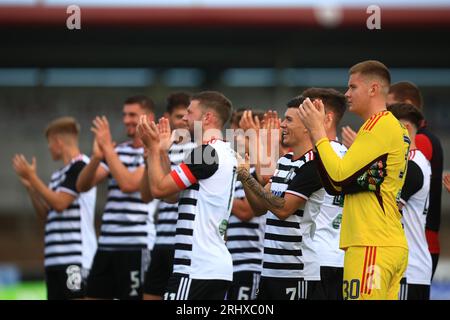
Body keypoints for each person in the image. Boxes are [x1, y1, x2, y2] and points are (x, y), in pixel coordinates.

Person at [298, 60, 410, 300]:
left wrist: (318, 132)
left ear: (373, 89)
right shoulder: (390, 127)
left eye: (353, 87)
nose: (346, 94)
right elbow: (338, 184)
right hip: (387, 242)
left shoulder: (378, 126)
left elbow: (338, 175)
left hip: (371, 243)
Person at [138, 91, 237, 300]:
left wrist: (154, 149)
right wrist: (162, 152)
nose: (184, 118)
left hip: (196, 267)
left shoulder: (205, 154)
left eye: (190, 113)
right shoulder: (223, 152)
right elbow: (171, 196)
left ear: (207, 118)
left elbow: (158, 190)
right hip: (213, 268)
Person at [237, 97, 326, 300]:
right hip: (270, 271)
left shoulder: (313, 165)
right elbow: (260, 207)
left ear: (306, 128)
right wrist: (245, 177)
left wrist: (246, 178)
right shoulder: (285, 160)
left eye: (289, 120)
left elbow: (283, 208)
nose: (282, 125)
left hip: (296, 273)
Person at [76, 95, 156, 299]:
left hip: (136, 245)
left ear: (148, 117)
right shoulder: (118, 151)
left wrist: (108, 150)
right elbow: (82, 185)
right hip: (107, 244)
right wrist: (96, 156)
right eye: (124, 115)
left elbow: (129, 184)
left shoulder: (153, 153)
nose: (126, 120)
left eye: (132, 115)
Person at [12, 117, 97, 299]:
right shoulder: (57, 175)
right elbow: (46, 215)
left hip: (75, 259)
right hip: (54, 261)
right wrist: (31, 188)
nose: (49, 147)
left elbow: (60, 203)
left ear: (58, 141)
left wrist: (33, 177)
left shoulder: (82, 166)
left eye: (49, 142)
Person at [141, 92, 196, 300]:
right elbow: (146, 196)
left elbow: (170, 194)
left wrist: (158, 153)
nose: (183, 121)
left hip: (184, 242)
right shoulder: (160, 147)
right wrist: (151, 157)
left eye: (186, 116)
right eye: (178, 117)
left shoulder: (198, 151)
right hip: (161, 239)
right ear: (168, 118)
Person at [387, 81, 443, 280]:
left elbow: (408, 183)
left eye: (389, 107)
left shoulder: (418, 145)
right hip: (417, 243)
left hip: (417, 242)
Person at [301, 88, 348, 300]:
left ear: (326, 118)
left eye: (306, 113)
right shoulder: (350, 155)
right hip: (341, 260)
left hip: (314, 261)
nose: (302, 121)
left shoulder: (313, 158)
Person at [388, 103, 432, 300]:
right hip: (411, 267)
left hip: (409, 269)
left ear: (405, 129)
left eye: (388, 129)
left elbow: (387, 211)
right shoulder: (415, 161)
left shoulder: (412, 166)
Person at [226, 109, 266, 300]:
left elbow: (245, 211)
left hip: (251, 264)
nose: (237, 141)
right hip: (230, 263)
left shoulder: (262, 169)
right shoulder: (236, 169)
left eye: (242, 134)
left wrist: (216, 195)